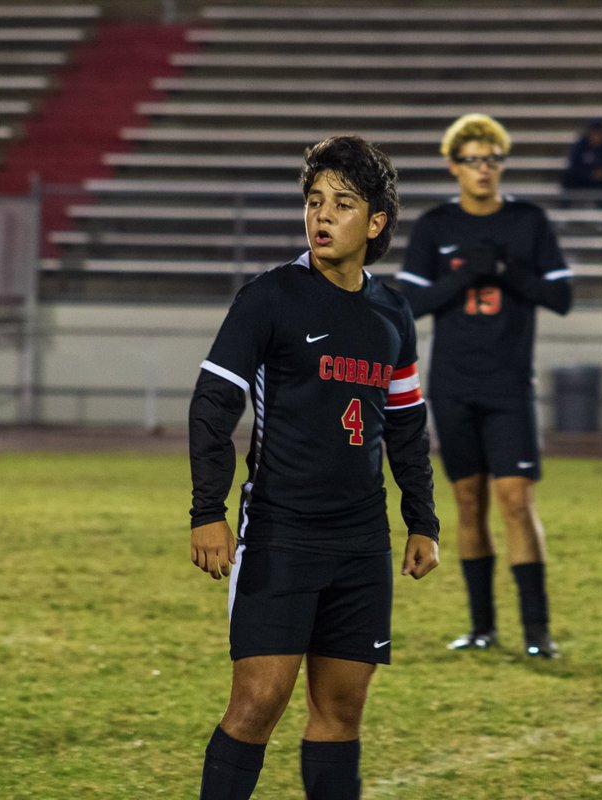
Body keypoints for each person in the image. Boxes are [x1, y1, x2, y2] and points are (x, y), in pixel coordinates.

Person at [188, 135, 439, 800]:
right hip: (280, 533)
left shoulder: (392, 315)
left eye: (343, 204)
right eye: (314, 201)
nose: (322, 216)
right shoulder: (269, 297)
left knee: (341, 713)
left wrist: (422, 520)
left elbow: (406, 424)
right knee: (258, 702)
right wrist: (207, 512)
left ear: (376, 222)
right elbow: (214, 403)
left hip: (361, 544)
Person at [396, 113, 574, 658]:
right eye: (473, 159)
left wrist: (505, 270)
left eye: (492, 159)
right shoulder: (434, 226)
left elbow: (562, 298)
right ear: (454, 166)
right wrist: (462, 276)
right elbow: (408, 305)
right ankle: (481, 627)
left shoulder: (528, 221)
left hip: (509, 385)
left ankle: (537, 633)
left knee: (516, 501)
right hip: (451, 384)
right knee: (468, 502)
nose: (483, 169)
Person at [560, 118, 602, 197]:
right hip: (583, 179)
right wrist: (589, 174)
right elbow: (574, 166)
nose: (596, 136)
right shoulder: (579, 146)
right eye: (594, 132)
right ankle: (566, 205)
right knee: (568, 178)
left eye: (599, 133)